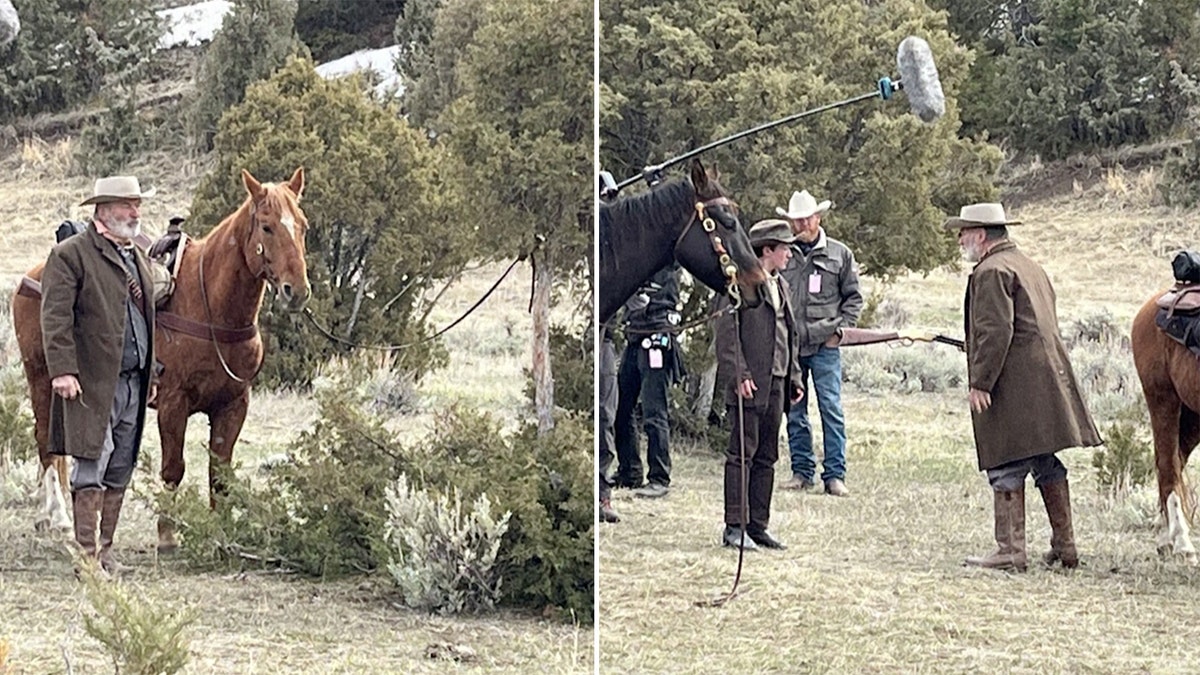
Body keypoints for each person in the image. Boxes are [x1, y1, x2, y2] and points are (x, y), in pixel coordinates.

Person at [947, 202, 1101, 571]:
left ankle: (1010, 552)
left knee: (1006, 460)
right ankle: (1066, 547)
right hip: (1045, 378)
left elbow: (996, 331)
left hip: (1014, 381)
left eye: (964, 232)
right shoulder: (1027, 265)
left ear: (981, 235)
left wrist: (981, 382)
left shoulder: (991, 271)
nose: (960, 239)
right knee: (1044, 458)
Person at [42, 175, 159, 575]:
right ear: (103, 211)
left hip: (132, 381)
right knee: (92, 462)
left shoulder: (135, 258)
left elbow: (144, 318)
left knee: (120, 465)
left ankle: (105, 553)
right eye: (127, 205)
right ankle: (87, 560)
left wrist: (151, 370)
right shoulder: (71, 255)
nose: (135, 212)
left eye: (136, 205)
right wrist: (62, 370)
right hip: (91, 381)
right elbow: (54, 316)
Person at [715, 219, 804, 550]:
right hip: (749, 384)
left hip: (777, 381)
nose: (790, 256)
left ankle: (757, 525)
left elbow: (789, 335)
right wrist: (739, 374)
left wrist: (793, 376)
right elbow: (725, 335)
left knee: (767, 455)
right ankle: (734, 526)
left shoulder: (782, 285)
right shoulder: (737, 284)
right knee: (741, 454)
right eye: (785, 249)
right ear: (768, 250)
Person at [777, 190, 862, 497]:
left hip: (825, 346)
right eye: (795, 220)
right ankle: (802, 472)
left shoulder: (840, 254)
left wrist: (840, 331)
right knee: (795, 411)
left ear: (818, 218)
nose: (800, 224)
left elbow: (854, 298)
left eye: (804, 218)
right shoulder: (783, 253)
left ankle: (835, 475)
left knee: (831, 409)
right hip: (793, 347)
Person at [613, 264, 684, 499]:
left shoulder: (667, 253)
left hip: (658, 334)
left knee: (655, 411)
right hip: (636, 333)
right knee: (621, 407)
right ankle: (630, 470)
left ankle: (659, 477)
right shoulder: (639, 248)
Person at [598, 325, 620, 522]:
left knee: (605, 419)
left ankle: (603, 498)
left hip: (604, 342)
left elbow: (637, 300)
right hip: (591, 338)